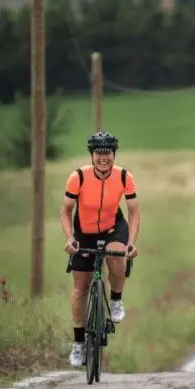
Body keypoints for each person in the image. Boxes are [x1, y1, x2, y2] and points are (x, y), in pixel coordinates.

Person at [59, 131, 141, 367]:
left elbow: (134, 212)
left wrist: (132, 242)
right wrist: (69, 238)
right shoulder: (78, 178)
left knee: (117, 257)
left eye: (108, 153)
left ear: (114, 155)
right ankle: (78, 344)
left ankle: (115, 299)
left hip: (112, 227)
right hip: (83, 232)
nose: (103, 158)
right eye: (98, 153)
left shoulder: (124, 177)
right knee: (80, 287)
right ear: (91, 155)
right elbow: (65, 211)